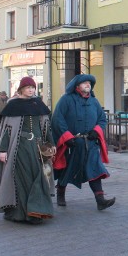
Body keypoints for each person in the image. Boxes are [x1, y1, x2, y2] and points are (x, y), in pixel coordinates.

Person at [0, 77, 55, 224]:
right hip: (20, 148)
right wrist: (3, 150)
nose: (31, 90)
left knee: (40, 176)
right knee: (22, 179)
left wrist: (51, 144)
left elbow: (46, 127)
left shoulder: (39, 104)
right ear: (21, 89)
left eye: (33, 87)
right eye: (28, 87)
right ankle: (21, 213)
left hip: (38, 147)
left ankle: (37, 211)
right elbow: (6, 130)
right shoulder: (13, 105)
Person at [52, 74, 115, 210]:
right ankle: (61, 193)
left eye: (89, 83)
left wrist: (96, 131)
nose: (88, 85)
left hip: (90, 143)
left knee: (95, 168)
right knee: (68, 169)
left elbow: (102, 119)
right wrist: (67, 137)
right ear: (77, 86)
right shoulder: (66, 100)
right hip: (73, 144)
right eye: (85, 83)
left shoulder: (94, 101)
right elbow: (58, 119)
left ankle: (100, 200)